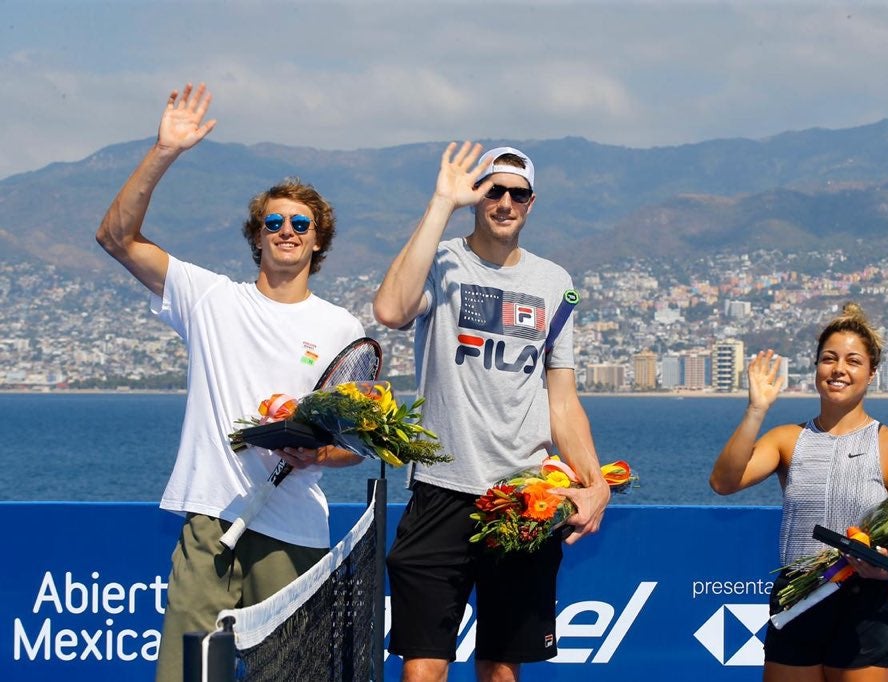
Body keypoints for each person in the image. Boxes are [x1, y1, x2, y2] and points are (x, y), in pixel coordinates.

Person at [95, 82, 366, 682]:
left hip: (293, 536)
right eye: (274, 221)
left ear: (318, 239)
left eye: (301, 222)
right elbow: (116, 237)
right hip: (211, 528)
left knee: (288, 678)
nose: (287, 229)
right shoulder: (209, 299)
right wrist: (164, 151)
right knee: (199, 677)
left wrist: (314, 450)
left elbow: (357, 444)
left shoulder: (342, 326)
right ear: (257, 235)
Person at [373, 142, 611, 682]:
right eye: (492, 190)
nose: (504, 202)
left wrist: (595, 484)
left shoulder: (555, 283)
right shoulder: (441, 260)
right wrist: (441, 203)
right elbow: (389, 310)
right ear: (477, 197)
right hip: (441, 487)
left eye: (516, 193)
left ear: (531, 202)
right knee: (422, 668)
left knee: (501, 668)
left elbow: (562, 397)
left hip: (522, 498)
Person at [709, 302, 888, 682]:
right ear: (816, 368)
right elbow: (724, 482)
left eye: (853, 361)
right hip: (797, 599)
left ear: (872, 372)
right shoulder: (787, 440)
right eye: (829, 358)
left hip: (865, 604)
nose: (839, 369)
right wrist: (756, 409)